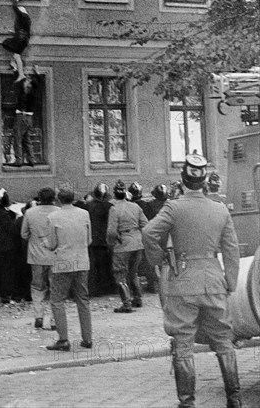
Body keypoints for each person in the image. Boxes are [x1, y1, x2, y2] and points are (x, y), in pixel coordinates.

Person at [142, 154, 241, 408]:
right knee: (223, 340)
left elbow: (149, 233)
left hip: (182, 280)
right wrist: (230, 281)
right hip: (213, 279)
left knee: (183, 342)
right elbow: (231, 250)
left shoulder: (174, 207)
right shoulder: (219, 209)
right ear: (205, 180)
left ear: (183, 180)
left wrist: (160, 259)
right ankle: (235, 399)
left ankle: (187, 403)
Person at [46, 186, 92, 352]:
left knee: (57, 300)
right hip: (81, 260)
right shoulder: (84, 214)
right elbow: (89, 240)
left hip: (63, 261)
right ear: (73, 198)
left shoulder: (53, 217)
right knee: (83, 299)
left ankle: (63, 339)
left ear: (58, 199)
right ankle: (87, 338)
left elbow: (52, 244)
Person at [21, 187, 60, 329]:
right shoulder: (59, 212)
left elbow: (24, 234)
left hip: (36, 256)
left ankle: (38, 316)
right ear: (54, 198)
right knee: (55, 288)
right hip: (55, 256)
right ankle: (55, 319)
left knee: (37, 287)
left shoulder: (30, 213)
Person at [107, 180, 148, 313]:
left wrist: (111, 243)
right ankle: (137, 298)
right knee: (133, 272)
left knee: (120, 273)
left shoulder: (114, 208)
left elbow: (112, 231)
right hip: (137, 242)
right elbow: (145, 224)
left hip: (122, 243)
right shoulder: (135, 207)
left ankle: (126, 303)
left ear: (114, 194)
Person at [86, 183, 115, 297]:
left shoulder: (89, 206)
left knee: (93, 266)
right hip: (105, 240)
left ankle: (93, 289)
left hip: (92, 239)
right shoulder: (110, 207)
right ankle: (106, 287)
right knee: (105, 264)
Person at [11, 67, 39, 167]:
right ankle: (32, 160)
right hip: (29, 118)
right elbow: (37, 81)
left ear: (29, 86)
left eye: (27, 81)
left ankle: (18, 161)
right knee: (27, 139)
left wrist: (15, 69)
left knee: (17, 138)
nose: (25, 82)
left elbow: (19, 81)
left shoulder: (24, 93)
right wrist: (36, 72)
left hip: (21, 116)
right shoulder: (34, 92)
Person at [2, 0, 31, 83]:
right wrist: (14, 33)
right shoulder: (26, 20)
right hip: (23, 40)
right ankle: (17, 69)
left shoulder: (23, 16)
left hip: (20, 39)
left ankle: (17, 69)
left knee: (6, 43)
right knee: (16, 55)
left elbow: (14, 7)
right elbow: (24, 31)